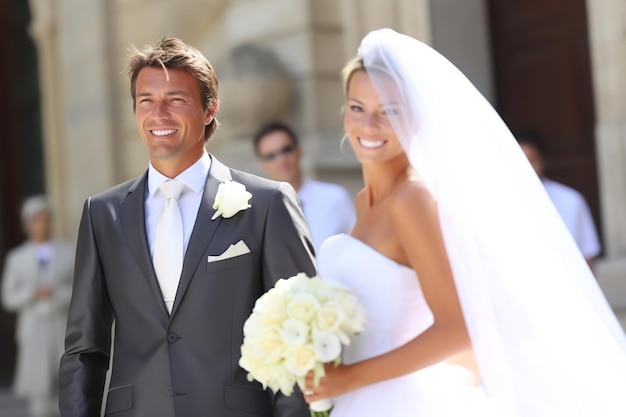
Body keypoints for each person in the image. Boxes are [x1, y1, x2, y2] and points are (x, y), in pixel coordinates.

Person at [301, 28, 626, 416]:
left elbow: (458, 330)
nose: (368, 124)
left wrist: (350, 377)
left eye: (389, 111)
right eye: (357, 107)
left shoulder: (412, 201)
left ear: (415, 120)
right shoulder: (363, 203)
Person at [58, 37, 316, 417]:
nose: (158, 113)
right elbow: (85, 349)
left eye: (175, 99)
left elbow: (300, 335)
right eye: (146, 100)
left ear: (209, 109)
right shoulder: (102, 214)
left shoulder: (268, 204)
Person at [2, 195, 74, 417]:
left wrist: (58, 294)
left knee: (68, 390)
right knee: (39, 400)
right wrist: (32, 293)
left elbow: (81, 289)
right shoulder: (17, 258)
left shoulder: (68, 252)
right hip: (33, 331)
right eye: (37, 219)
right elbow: (8, 297)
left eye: (46, 218)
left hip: (61, 327)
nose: (43, 224)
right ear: (27, 224)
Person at [253, 122, 355, 253]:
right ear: (262, 164)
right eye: (271, 156)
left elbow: (359, 245)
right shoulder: (259, 213)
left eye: (286, 150)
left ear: (299, 151)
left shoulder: (336, 197)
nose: (281, 160)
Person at [514, 129, 601, 267]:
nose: (527, 167)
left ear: (543, 159)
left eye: (532, 159)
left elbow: (587, 255)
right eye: (520, 160)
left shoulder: (571, 200)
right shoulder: (503, 206)